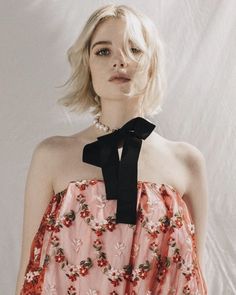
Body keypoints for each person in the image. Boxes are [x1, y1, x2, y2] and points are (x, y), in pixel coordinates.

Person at [16, 4, 208, 294]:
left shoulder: (187, 162)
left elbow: (195, 278)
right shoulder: (51, 156)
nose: (120, 61)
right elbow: (29, 274)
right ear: (88, 64)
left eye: (134, 50)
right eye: (103, 51)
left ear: (152, 64)